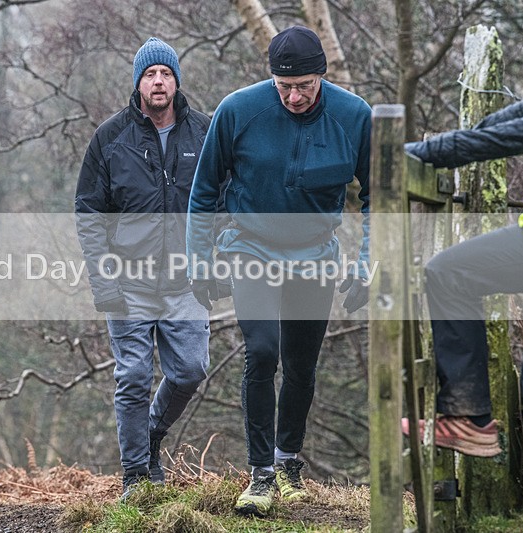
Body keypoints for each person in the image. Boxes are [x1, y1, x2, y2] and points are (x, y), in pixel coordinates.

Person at [186, 25, 372, 516]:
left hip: (315, 253)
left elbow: (380, 198)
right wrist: (199, 262)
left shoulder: (354, 116)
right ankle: (260, 474)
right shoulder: (238, 110)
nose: (293, 96)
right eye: (284, 86)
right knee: (262, 350)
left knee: (302, 364)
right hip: (252, 247)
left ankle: (289, 462)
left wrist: (368, 265)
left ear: (322, 78)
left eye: (304, 87)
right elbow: (203, 192)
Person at [401, 91, 523, 533]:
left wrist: (413, 153)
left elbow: (507, 140)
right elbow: (514, 117)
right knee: (448, 273)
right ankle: (469, 416)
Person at [74, 37, 211, 500]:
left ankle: (152, 433)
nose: (158, 82)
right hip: (127, 281)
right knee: (132, 376)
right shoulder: (110, 137)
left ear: (176, 81)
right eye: (150, 74)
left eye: (166, 74)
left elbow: (225, 203)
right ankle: (135, 476)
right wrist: (103, 282)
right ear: (138, 83)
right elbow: (88, 214)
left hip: (186, 280)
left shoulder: (205, 133)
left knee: (191, 369)